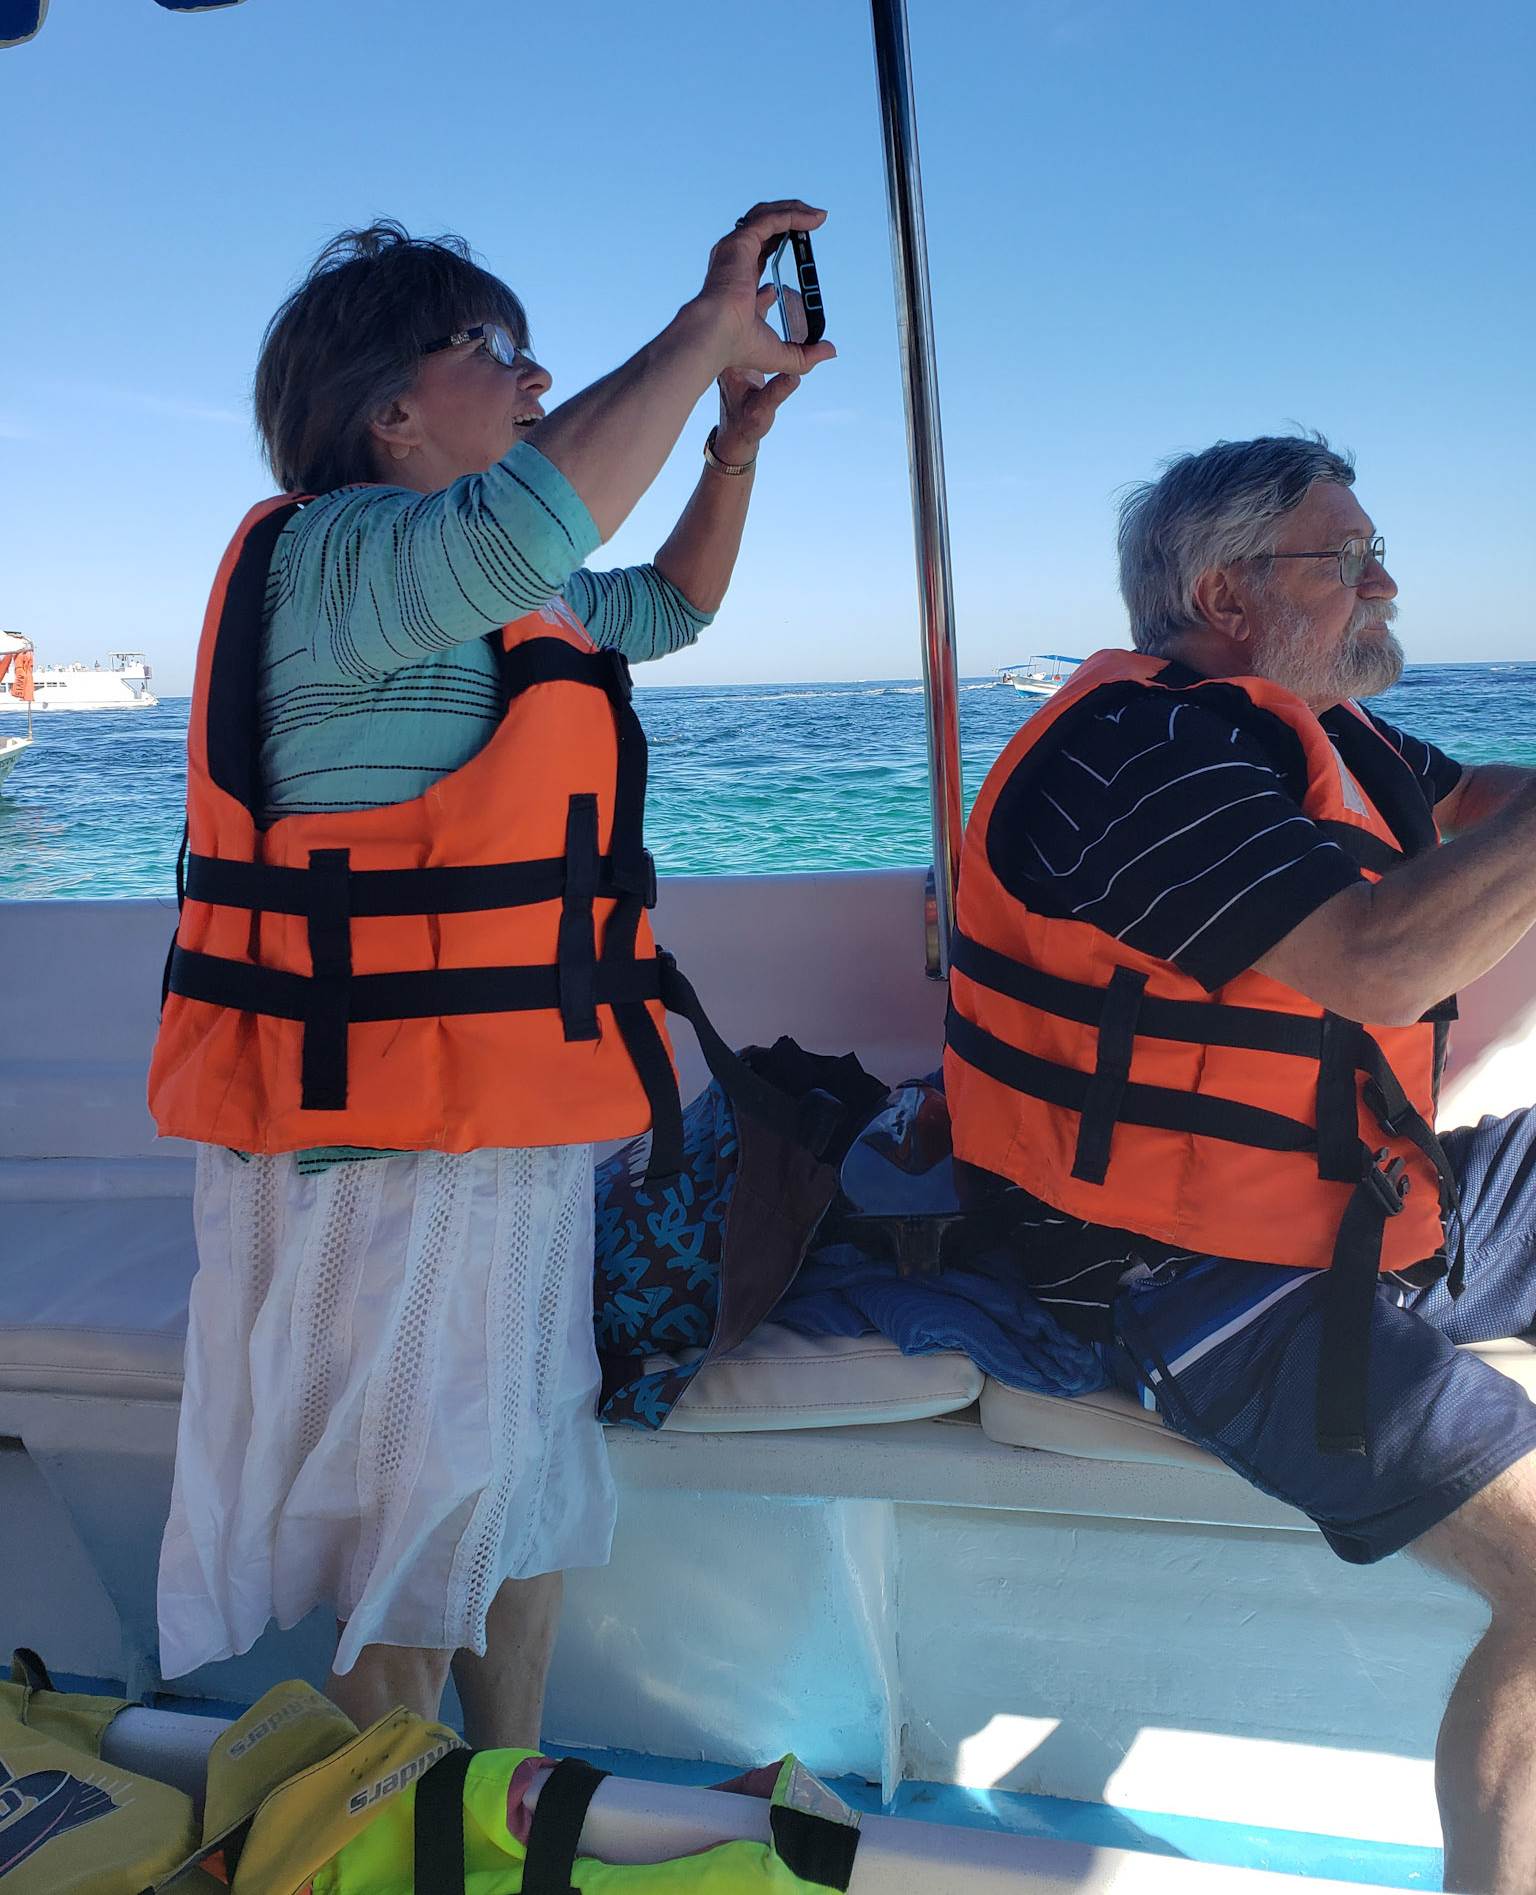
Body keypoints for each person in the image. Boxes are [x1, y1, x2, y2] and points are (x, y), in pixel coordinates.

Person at [148, 201, 832, 1748]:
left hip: (485, 1124)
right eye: (491, 350)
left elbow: (671, 607)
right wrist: (700, 333)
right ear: (388, 413)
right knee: (423, 1512)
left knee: (513, 1473)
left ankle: (502, 1783)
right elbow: (534, 522)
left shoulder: (491, 588)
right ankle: (380, 1824)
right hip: (377, 1148)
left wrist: (729, 445)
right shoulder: (342, 559)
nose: (536, 378)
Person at [944, 434, 1536, 1895]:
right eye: (1350, 558)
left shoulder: (1323, 733)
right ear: (1225, 593)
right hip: (1184, 1271)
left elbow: (1480, 800)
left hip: (1361, 1200)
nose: (1385, 584)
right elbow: (1382, 964)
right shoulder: (1135, 757)